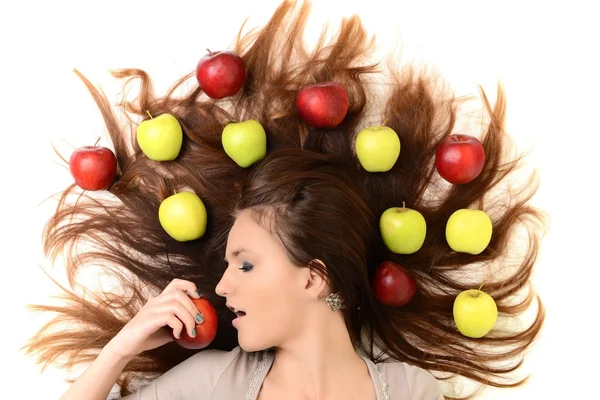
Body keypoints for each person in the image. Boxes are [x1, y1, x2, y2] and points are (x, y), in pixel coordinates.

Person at [23, 1, 545, 399]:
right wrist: (122, 347)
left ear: (315, 277)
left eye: (245, 264)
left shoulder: (413, 389)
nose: (221, 286)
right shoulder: (213, 382)